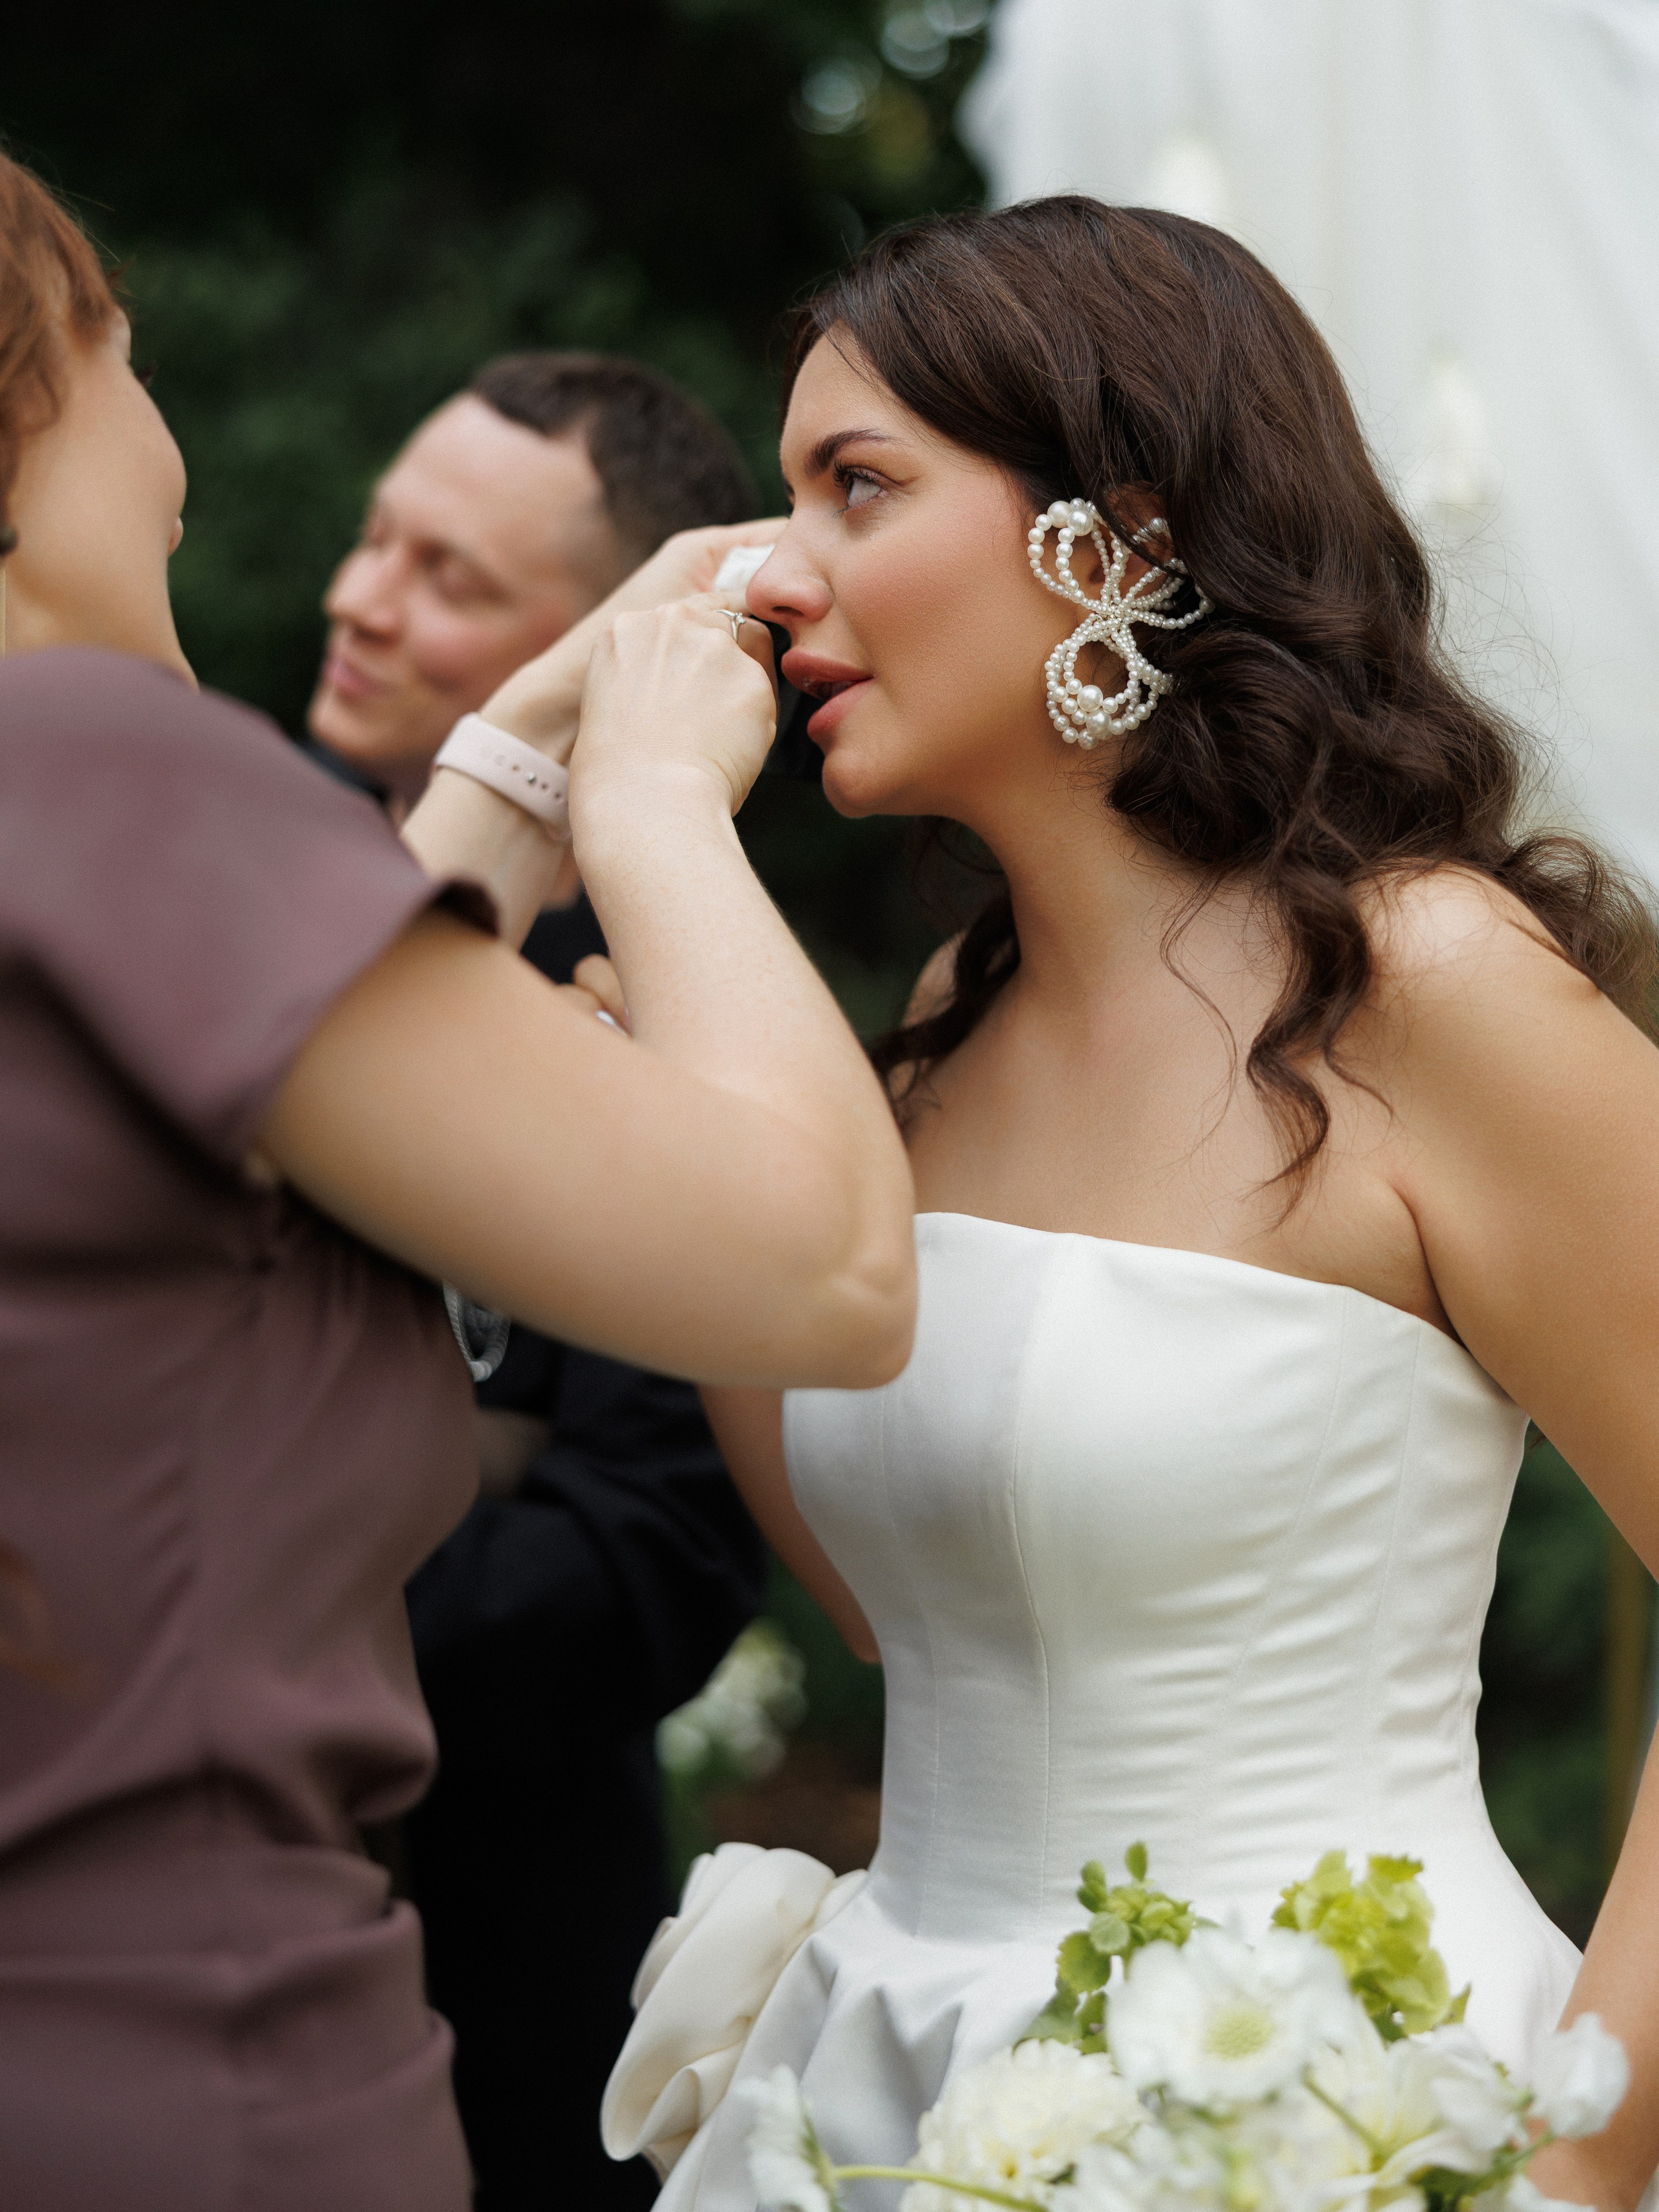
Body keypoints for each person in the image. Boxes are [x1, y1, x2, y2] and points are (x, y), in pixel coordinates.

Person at [601, 197, 1659, 2212]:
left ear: (1125, 539)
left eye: (857, 486)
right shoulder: (947, 1024)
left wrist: (1575, 2165)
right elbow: (917, 1612)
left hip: (1329, 2117)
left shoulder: (1425, 987)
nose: (766, 577)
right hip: (884, 2104)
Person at [0, 151, 916, 2212]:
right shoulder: (91, 765)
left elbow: (239, 1161)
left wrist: (516, 744)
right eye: (128, 363)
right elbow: (838, 1267)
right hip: (191, 2071)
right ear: (30, 411)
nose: (177, 456)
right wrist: (656, 800)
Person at [306, 351, 772, 2210]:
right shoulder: (197, 873)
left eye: (449, 580)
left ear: (595, 643)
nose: (360, 597)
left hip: (495, 1984)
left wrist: (273, 1619)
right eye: (374, 538)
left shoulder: (676, 989)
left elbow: (657, 1536)